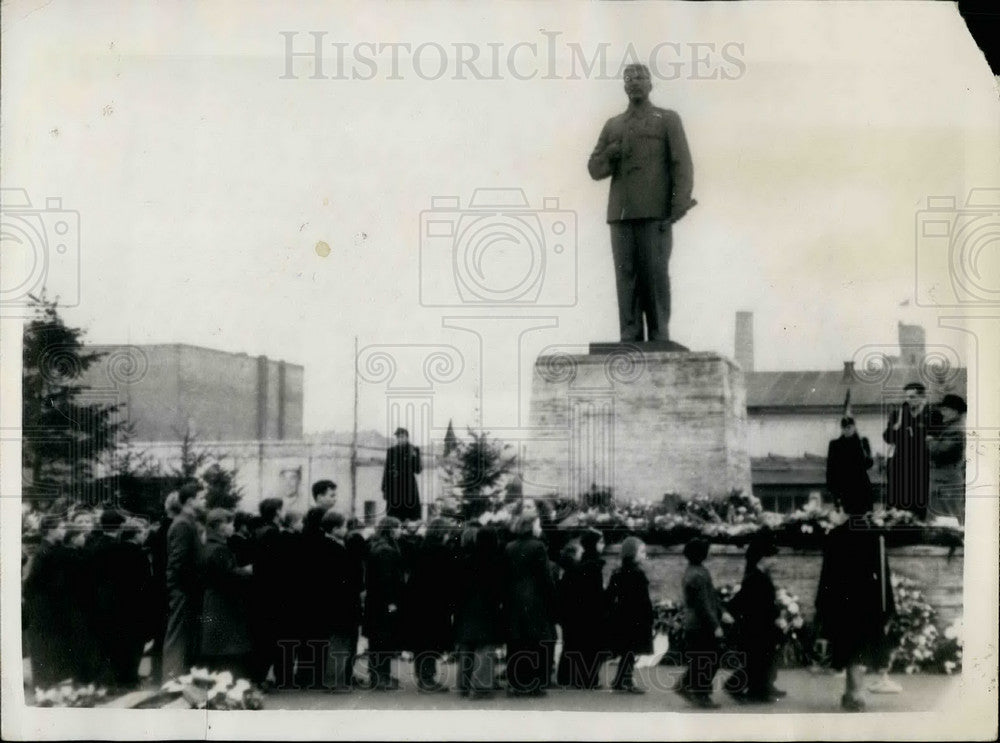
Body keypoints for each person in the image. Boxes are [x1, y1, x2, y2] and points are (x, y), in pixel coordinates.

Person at [587, 63, 695, 343]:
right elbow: (594, 169)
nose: (635, 82)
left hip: (656, 212)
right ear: (624, 86)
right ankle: (630, 336)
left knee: (655, 277)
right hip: (620, 215)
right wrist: (611, 153)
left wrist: (677, 205)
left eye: (641, 77)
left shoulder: (667, 119)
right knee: (626, 279)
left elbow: (682, 163)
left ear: (651, 84)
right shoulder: (613, 125)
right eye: (629, 78)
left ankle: (659, 337)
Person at [815, 510, 896, 712]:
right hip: (868, 599)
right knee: (860, 648)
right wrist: (889, 607)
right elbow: (883, 574)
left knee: (850, 648)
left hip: (842, 600)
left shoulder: (835, 535)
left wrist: (822, 603)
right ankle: (855, 694)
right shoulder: (875, 535)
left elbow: (828, 574)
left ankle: (853, 693)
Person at [723, 532, 785, 703]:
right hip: (756, 626)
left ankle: (758, 690)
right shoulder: (756, 578)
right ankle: (739, 687)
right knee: (757, 660)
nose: (775, 561)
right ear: (762, 558)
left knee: (760, 659)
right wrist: (775, 617)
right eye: (772, 557)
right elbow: (756, 604)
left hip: (760, 625)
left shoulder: (759, 576)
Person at [502, 514, 556, 697]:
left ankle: (516, 682)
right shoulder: (538, 546)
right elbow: (545, 576)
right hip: (534, 600)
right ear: (532, 526)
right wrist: (551, 598)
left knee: (516, 641)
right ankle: (533, 683)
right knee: (535, 642)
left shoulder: (509, 546)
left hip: (513, 599)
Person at [200, 509, 254, 679]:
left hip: (213, 601)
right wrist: (245, 571)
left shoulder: (209, 546)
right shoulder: (219, 549)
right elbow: (226, 576)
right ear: (218, 526)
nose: (232, 526)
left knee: (217, 645)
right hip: (223, 603)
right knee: (226, 648)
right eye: (229, 523)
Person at [405, 518, 456, 693]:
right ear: (442, 532)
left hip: (418, 602)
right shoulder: (443, 551)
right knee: (432, 641)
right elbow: (449, 579)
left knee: (421, 641)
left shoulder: (420, 548)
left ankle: (422, 676)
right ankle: (428, 678)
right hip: (436, 604)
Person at [675, 538, 726, 708]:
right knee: (708, 659)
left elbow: (709, 598)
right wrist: (716, 625)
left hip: (695, 624)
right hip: (701, 625)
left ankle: (686, 685)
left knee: (702, 660)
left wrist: (722, 613)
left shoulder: (695, 571)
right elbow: (703, 604)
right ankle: (701, 695)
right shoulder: (698, 574)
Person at [162, 483, 207, 680]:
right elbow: (178, 563)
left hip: (187, 589)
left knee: (186, 636)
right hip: (183, 590)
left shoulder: (188, 522)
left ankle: (181, 678)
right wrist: (186, 587)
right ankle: (172, 679)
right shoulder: (182, 524)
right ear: (190, 501)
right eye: (202, 498)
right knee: (178, 636)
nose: (205, 502)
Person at [454, 526, 503, 699]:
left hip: (466, 607)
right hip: (486, 607)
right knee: (485, 645)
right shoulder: (495, 559)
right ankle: (481, 687)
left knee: (467, 645)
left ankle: (463, 685)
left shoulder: (466, 558)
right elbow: (498, 587)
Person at [23, 514, 71, 689]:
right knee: (44, 647)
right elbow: (32, 583)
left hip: (47, 607)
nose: (64, 530)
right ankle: (44, 685)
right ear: (51, 530)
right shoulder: (45, 552)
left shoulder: (49, 549)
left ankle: (47, 683)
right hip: (44, 608)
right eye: (62, 527)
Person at [318, 510, 361, 693]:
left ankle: (338, 679)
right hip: (340, 603)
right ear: (335, 528)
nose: (345, 530)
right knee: (339, 642)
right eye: (343, 526)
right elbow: (343, 577)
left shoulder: (331, 545)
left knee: (341, 641)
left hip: (338, 602)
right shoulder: (332, 548)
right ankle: (334, 681)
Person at [605, 536, 654, 694]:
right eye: (641, 551)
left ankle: (620, 679)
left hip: (621, 615)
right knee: (631, 651)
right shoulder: (638, 574)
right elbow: (644, 599)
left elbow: (610, 595)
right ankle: (624, 680)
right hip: (635, 617)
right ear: (633, 553)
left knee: (627, 650)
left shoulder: (618, 572)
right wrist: (649, 616)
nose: (643, 554)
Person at [365, 517, 406, 691]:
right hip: (383, 603)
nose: (401, 531)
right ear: (390, 529)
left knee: (377, 641)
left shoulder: (377, 546)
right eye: (398, 528)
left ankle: (379, 675)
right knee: (384, 639)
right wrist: (392, 602)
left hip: (374, 602)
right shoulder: (387, 551)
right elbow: (387, 580)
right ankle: (381, 677)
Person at [883, 382, 933, 519]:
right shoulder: (898, 414)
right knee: (898, 508)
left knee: (919, 507)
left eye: (912, 397)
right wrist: (896, 427)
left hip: (921, 469)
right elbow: (887, 437)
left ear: (922, 397)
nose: (908, 400)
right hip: (900, 468)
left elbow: (933, 440)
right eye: (906, 397)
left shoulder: (931, 414)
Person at [147, 491, 182, 683]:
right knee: (171, 632)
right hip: (172, 586)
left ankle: (157, 672)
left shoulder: (159, 530)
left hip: (159, 586)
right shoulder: (176, 530)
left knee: (161, 632)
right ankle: (169, 674)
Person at [250, 497, 284, 686]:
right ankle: (259, 678)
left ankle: (257, 677)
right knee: (269, 637)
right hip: (271, 591)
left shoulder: (258, 531)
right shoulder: (272, 533)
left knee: (261, 636)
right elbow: (278, 564)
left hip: (259, 589)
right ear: (277, 512)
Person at [927, 394, 967, 524]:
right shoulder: (951, 428)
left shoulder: (955, 430)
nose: (942, 413)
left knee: (947, 520)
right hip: (944, 482)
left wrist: (930, 441)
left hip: (946, 483)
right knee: (944, 518)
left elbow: (941, 451)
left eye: (945, 409)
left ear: (954, 411)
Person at [826, 416, 875, 515]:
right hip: (845, 488)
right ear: (842, 429)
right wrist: (833, 491)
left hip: (862, 487)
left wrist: (864, 451)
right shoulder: (835, 445)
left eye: (849, 427)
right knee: (847, 521)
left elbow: (869, 464)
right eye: (845, 428)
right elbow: (831, 469)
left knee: (864, 519)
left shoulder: (862, 442)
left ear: (854, 427)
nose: (847, 430)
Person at [381, 428, 423, 522]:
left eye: (402, 437)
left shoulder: (414, 450)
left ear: (407, 437)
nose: (400, 439)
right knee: (394, 517)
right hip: (395, 488)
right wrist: (384, 489)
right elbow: (387, 470)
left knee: (411, 516)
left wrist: (414, 457)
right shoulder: (391, 451)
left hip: (409, 488)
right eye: (398, 437)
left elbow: (418, 470)